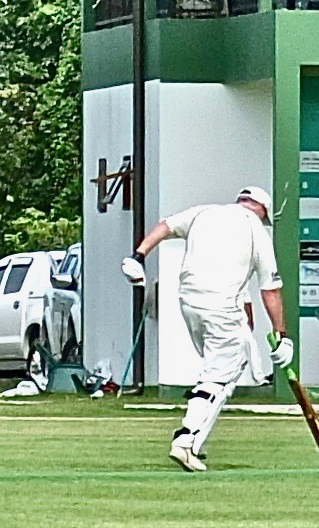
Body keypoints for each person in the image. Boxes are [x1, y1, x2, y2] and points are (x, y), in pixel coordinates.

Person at [121, 186, 291, 472]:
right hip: (222, 308)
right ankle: (186, 439)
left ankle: (195, 442)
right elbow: (270, 289)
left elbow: (165, 226)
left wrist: (138, 256)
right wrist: (282, 335)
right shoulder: (256, 232)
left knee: (222, 374)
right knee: (218, 378)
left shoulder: (204, 212)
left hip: (188, 303)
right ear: (262, 210)